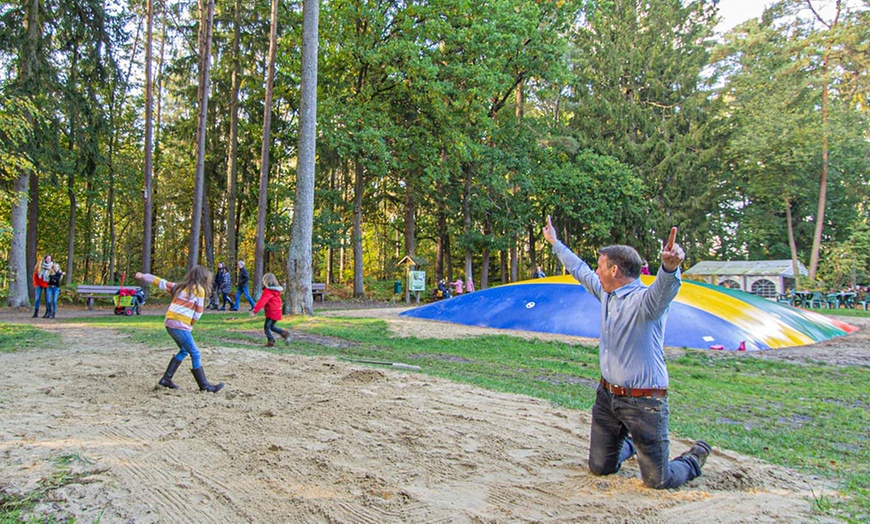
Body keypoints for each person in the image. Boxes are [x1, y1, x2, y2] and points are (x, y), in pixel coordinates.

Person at [542, 216, 710, 489]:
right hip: (608, 397)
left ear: (615, 270)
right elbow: (579, 269)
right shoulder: (607, 293)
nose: (596, 272)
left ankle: (693, 458)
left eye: (600, 267)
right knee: (600, 468)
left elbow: (665, 288)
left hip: (644, 403)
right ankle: (634, 444)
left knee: (658, 480)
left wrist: (669, 267)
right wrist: (555, 243)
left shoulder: (646, 302)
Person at [134, 266, 224, 393]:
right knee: (195, 353)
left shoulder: (179, 287)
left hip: (170, 322)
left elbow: (160, 282)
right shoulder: (199, 290)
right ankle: (204, 386)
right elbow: (198, 313)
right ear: (204, 278)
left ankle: (166, 379)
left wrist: (143, 276)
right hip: (180, 325)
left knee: (183, 350)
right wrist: (190, 325)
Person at [250, 273, 291, 347]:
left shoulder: (268, 291)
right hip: (278, 310)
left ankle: (271, 341)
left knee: (267, 327)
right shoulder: (276, 290)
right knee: (271, 326)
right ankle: (284, 334)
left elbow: (262, 301)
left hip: (272, 311)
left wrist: (255, 310)